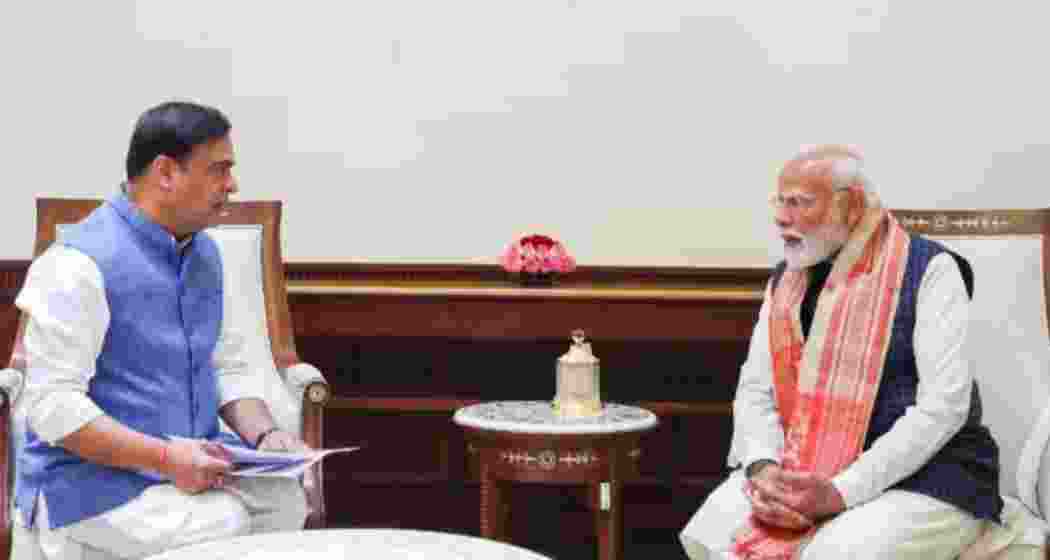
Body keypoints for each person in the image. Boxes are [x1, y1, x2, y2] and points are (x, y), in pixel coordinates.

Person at [13, 101, 309, 559]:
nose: (232, 185)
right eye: (219, 170)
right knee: (224, 524)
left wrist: (267, 437)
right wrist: (168, 459)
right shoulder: (76, 264)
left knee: (285, 500)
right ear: (166, 173)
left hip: (182, 468)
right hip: (84, 483)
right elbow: (52, 407)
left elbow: (226, 366)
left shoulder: (206, 255)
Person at [680, 145, 1002, 560]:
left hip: (930, 476)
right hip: (805, 466)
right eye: (779, 201)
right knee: (714, 527)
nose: (781, 217)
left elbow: (944, 408)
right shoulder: (787, 281)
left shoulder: (931, 270)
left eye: (799, 202)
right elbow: (757, 390)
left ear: (850, 206)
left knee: (838, 551)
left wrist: (841, 491)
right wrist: (765, 470)